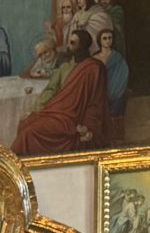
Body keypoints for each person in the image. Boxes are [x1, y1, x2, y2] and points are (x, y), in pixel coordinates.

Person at [12, 28, 109, 157]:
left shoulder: (95, 68)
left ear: (82, 45)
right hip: (57, 111)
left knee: (28, 133)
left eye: (73, 43)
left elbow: (96, 101)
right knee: (25, 123)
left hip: (73, 118)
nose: (68, 45)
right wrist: (36, 110)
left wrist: (88, 127)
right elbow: (51, 89)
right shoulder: (65, 67)